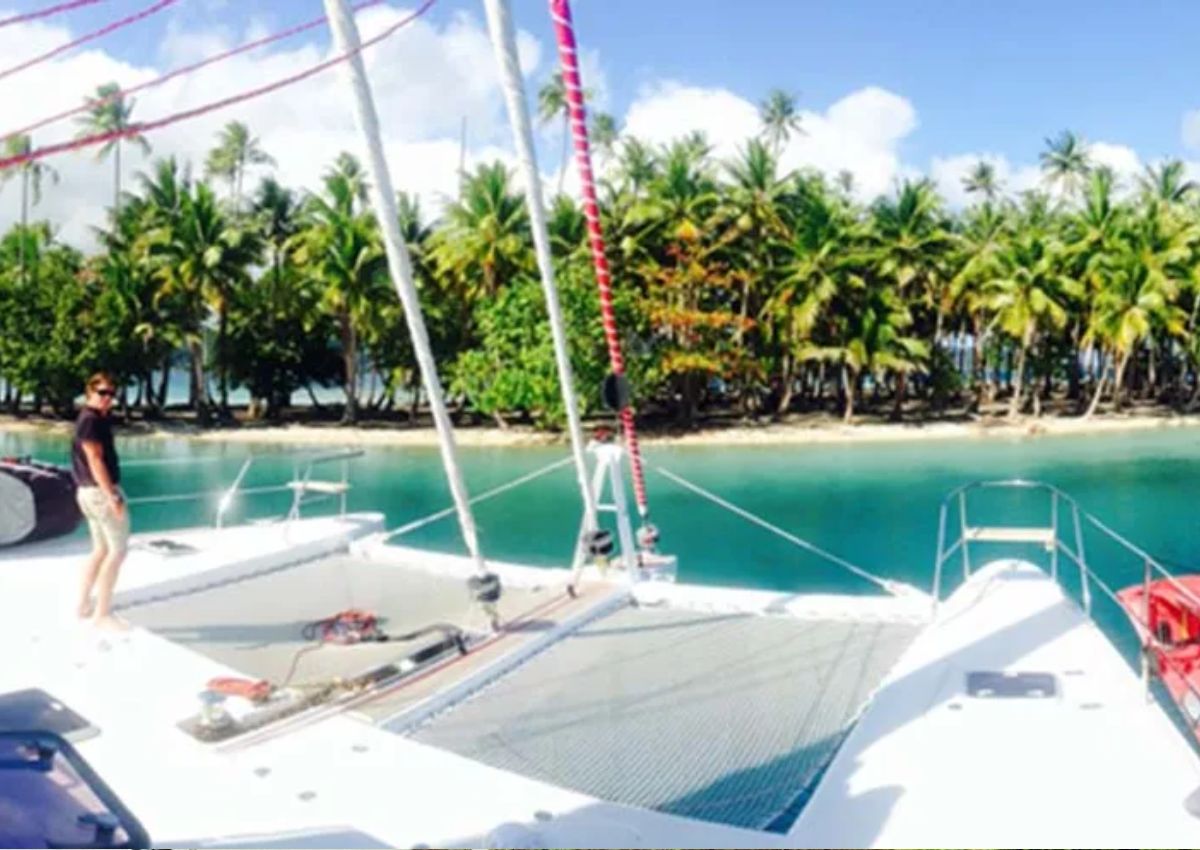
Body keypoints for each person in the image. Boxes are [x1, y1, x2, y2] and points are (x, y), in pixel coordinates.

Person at [72, 372, 129, 630]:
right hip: (98, 492)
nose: (107, 398)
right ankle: (102, 615)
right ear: (89, 393)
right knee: (117, 552)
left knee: (101, 551)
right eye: (102, 393)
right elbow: (95, 460)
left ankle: (84, 605)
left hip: (88, 492)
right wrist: (112, 495)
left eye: (111, 394)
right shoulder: (90, 421)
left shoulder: (94, 419)